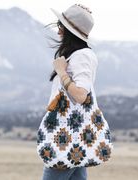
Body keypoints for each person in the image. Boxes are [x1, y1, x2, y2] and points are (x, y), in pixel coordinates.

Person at [42, 4, 99, 180]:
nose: (58, 31)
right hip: (74, 136)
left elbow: (81, 95)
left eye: (61, 26)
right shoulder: (78, 55)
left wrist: (61, 72)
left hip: (67, 137)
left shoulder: (82, 56)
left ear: (68, 31)